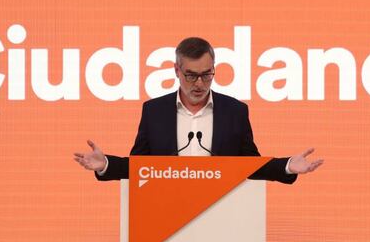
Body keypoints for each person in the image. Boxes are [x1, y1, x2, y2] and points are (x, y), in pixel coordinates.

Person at [74, 37, 323, 182]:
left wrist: (288, 166)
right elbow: (140, 166)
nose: (200, 83)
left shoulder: (235, 111)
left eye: (207, 74)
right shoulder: (154, 111)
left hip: (221, 217)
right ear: (176, 71)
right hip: (166, 219)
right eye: (191, 76)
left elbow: (250, 165)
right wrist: (106, 164)